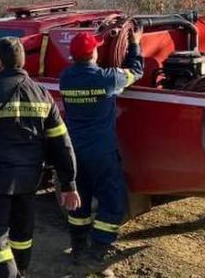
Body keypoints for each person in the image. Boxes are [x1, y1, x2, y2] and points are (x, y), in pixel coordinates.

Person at [0, 37, 81, 278]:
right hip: (29, 180)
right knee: (22, 234)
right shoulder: (43, 95)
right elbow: (62, 143)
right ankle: (21, 271)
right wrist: (69, 183)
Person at [58, 28, 144, 266]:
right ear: (93, 53)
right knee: (112, 198)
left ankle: (78, 245)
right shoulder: (107, 78)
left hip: (74, 151)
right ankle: (100, 246)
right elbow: (136, 71)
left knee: (79, 199)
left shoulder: (66, 78)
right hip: (101, 152)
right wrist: (135, 44)